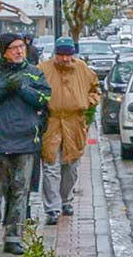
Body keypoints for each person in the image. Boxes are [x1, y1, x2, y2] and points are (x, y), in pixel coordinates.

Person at [0, 32, 49, 253]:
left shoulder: (34, 74)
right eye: (14, 47)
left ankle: (14, 236)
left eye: (21, 47)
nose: (19, 51)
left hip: (25, 140)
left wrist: (23, 89)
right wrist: (4, 88)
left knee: (20, 189)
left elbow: (45, 99)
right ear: (4, 50)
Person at [40, 37, 102, 225]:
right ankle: (52, 208)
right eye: (61, 54)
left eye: (68, 54)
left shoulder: (82, 69)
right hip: (51, 123)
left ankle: (66, 200)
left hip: (74, 123)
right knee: (51, 166)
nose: (65, 58)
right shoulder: (42, 69)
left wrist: (88, 101)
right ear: (55, 54)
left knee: (71, 167)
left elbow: (96, 89)